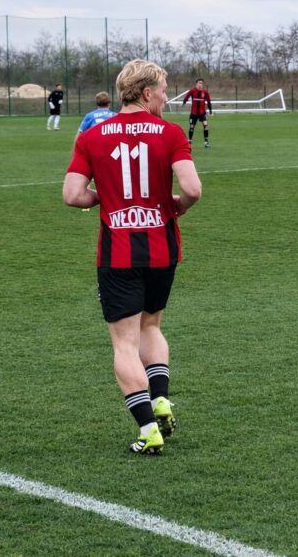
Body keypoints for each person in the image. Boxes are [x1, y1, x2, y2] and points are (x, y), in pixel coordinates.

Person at [63, 59, 201, 455]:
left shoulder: (92, 136)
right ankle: (161, 400)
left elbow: (72, 196)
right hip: (162, 248)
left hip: (118, 253)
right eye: (163, 91)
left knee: (124, 343)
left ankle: (148, 429)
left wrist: (105, 198)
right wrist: (176, 206)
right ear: (146, 92)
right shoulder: (170, 133)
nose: (166, 98)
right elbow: (192, 189)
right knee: (151, 325)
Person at [181, 77, 212, 148]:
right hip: (194, 113)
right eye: (199, 83)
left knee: (205, 126)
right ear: (196, 84)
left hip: (202, 113)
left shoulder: (205, 92)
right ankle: (190, 141)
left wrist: (210, 111)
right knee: (192, 127)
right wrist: (183, 103)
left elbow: (209, 102)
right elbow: (187, 97)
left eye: (202, 83)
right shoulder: (192, 91)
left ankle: (206, 142)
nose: (200, 85)